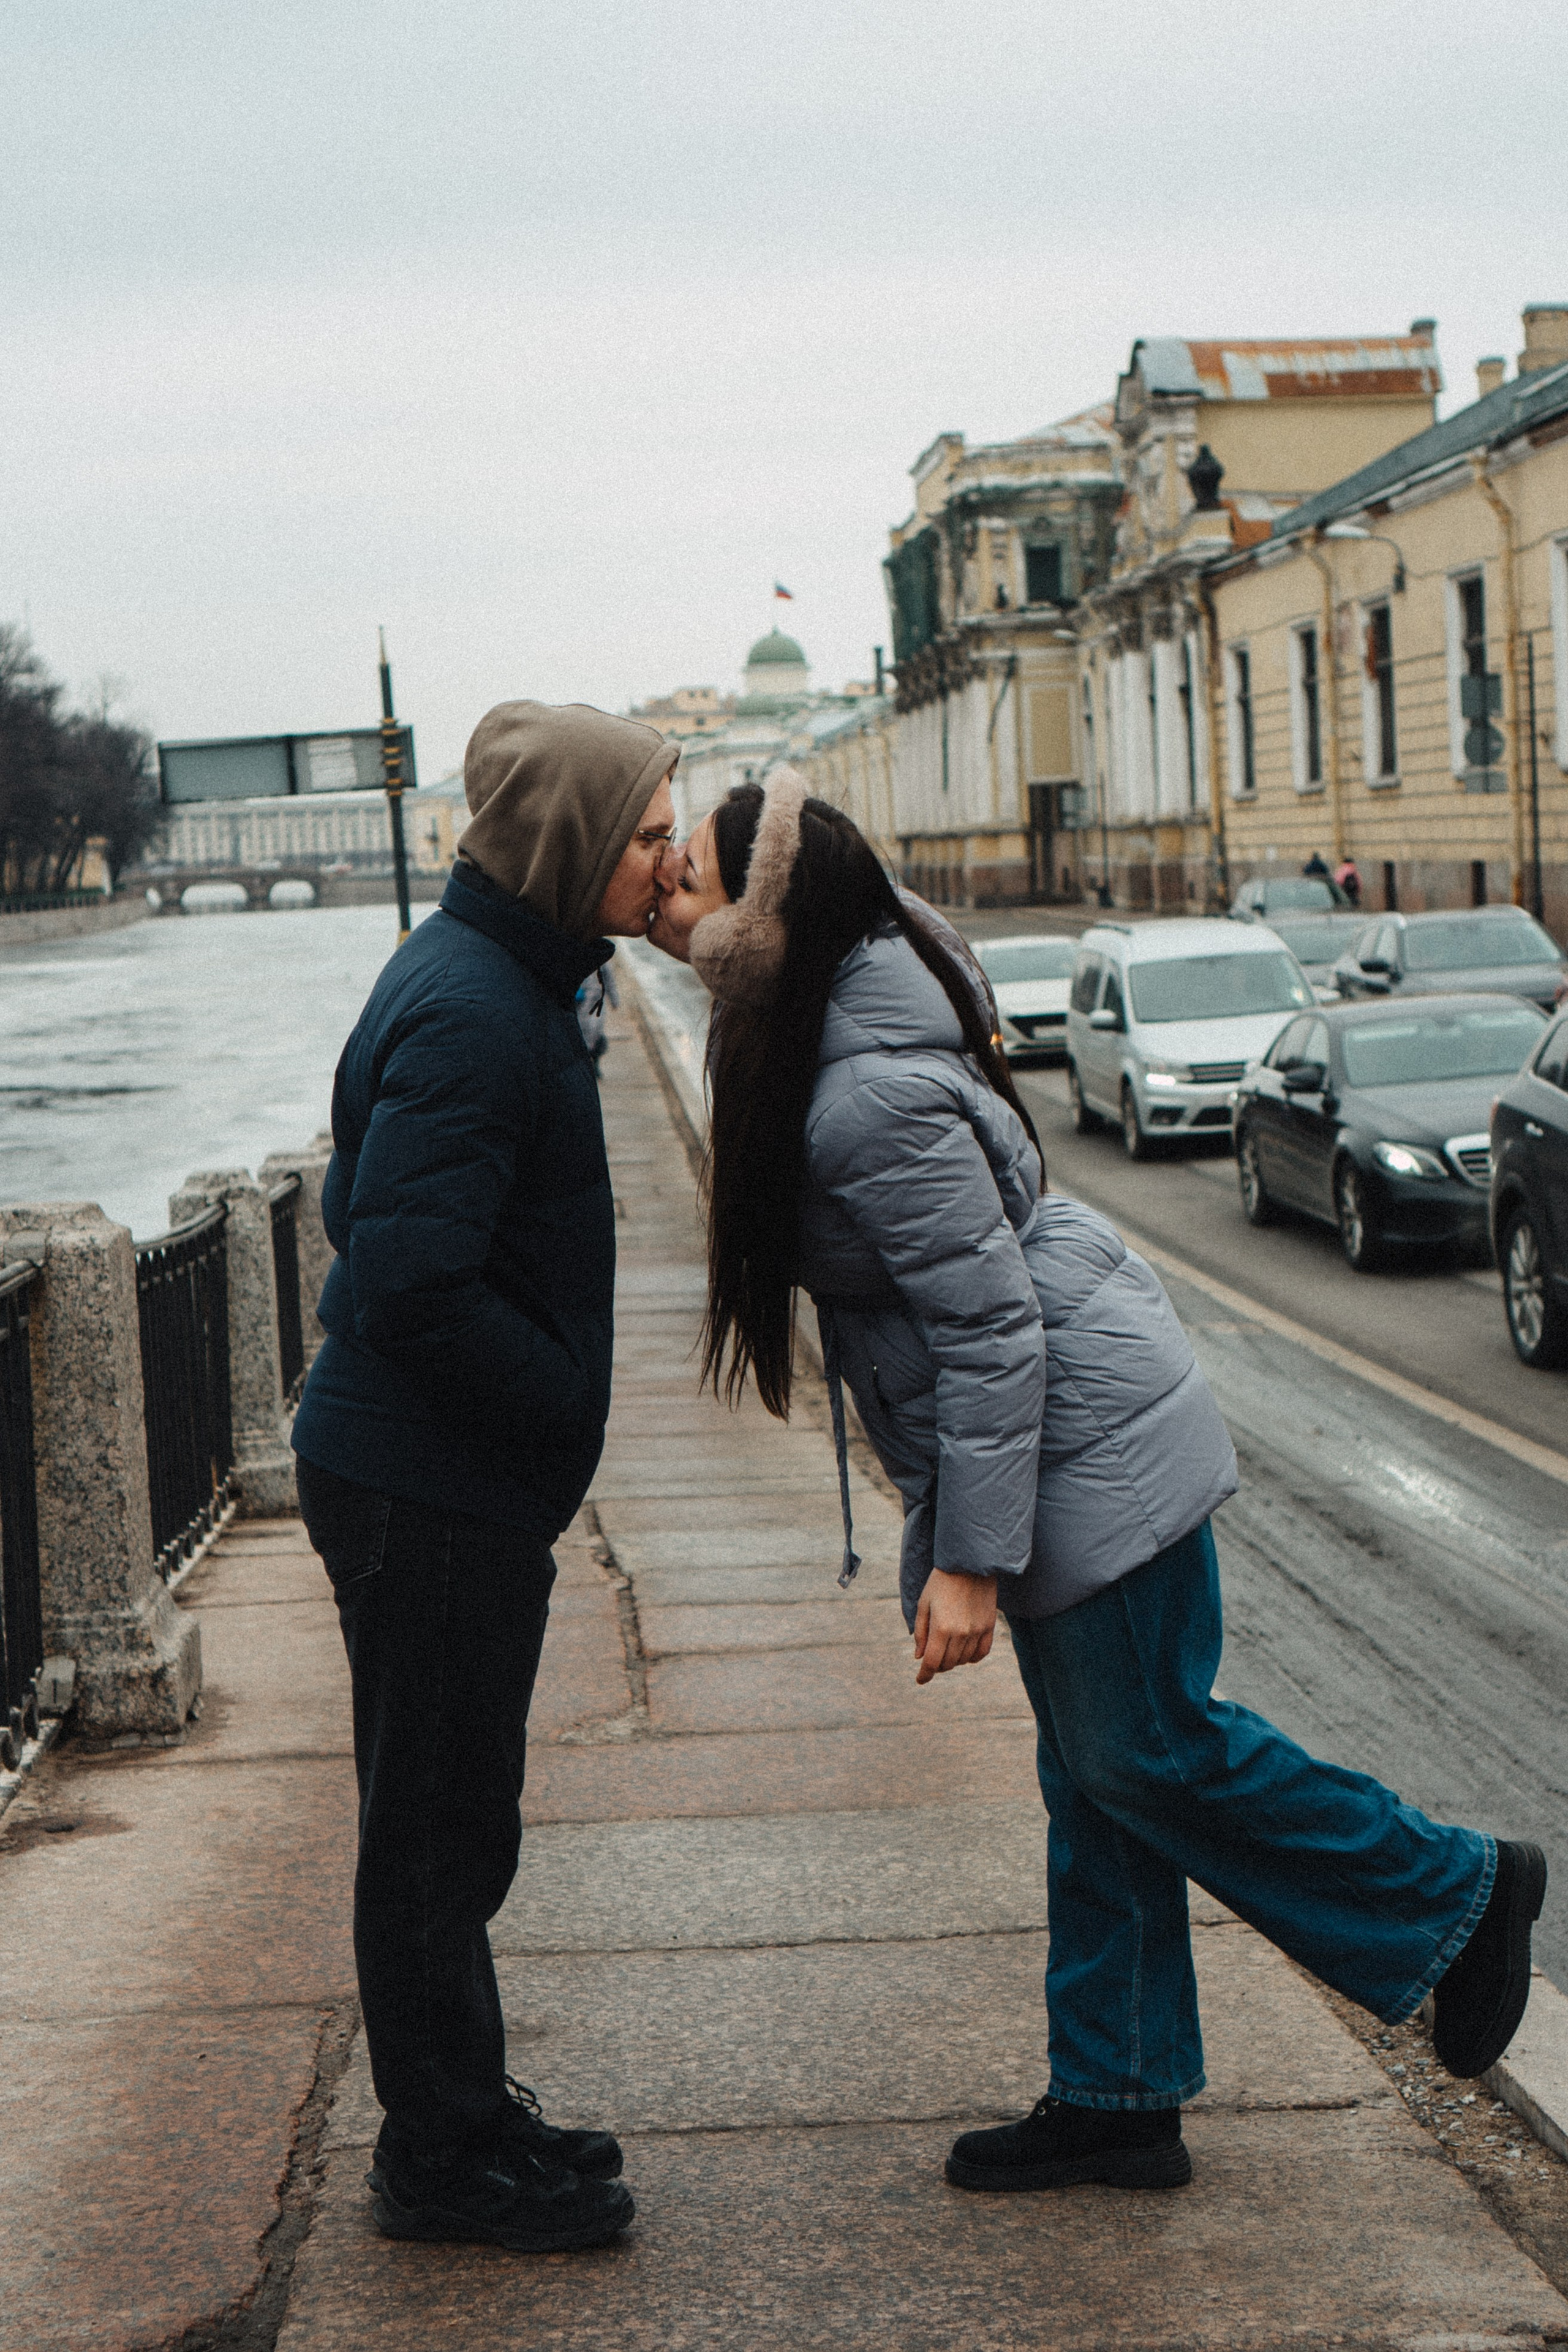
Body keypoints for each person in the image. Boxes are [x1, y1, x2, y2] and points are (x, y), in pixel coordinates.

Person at [647, 770, 1546, 2197]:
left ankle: (1454, 1894)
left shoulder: (860, 1095)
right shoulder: (827, 1031)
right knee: (1096, 1778)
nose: (662, 893)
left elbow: (991, 1332)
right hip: (1069, 1436)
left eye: (687, 875)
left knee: (1150, 1754)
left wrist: (967, 1560)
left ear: (769, 920)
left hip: (1083, 1444)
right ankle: (1118, 2090)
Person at [292, 700, 679, 2254]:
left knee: (461, 1820)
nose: (665, 865)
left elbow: (351, 1192)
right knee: (435, 1830)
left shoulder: (497, 979)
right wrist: (555, 1407)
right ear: (571, 845)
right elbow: (406, 1279)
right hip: (424, 1482)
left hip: (438, 1479)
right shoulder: (471, 1006)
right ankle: (435, 2162)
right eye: (648, 837)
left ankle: (460, 2107)